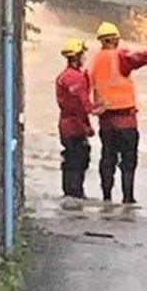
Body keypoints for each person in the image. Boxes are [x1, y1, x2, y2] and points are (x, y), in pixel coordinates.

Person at [88, 22, 147, 204]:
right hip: (125, 120)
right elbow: (140, 58)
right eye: (116, 39)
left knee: (107, 158)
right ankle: (128, 197)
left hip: (106, 120)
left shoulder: (95, 61)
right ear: (111, 39)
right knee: (128, 161)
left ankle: (107, 197)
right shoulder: (119, 56)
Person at [55, 38, 98, 199]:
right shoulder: (73, 77)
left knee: (73, 158)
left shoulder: (67, 76)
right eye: (81, 55)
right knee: (77, 159)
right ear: (75, 57)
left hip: (70, 125)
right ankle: (74, 194)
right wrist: (100, 109)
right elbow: (83, 104)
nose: (83, 58)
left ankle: (71, 194)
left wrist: (87, 125)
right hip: (73, 126)